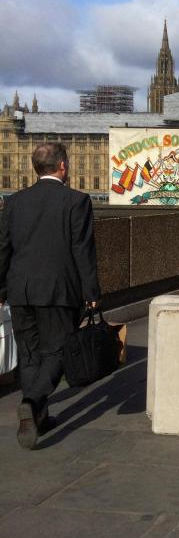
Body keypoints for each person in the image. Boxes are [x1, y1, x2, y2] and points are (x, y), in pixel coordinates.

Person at [0, 143, 100, 449]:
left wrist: (1, 289)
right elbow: (82, 250)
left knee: (30, 355)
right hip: (59, 290)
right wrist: (91, 291)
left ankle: (39, 419)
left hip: (20, 290)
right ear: (63, 167)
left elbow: (4, 247)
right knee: (57, 351)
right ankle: (32, 401)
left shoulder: (15, 201)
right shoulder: (77, 201)